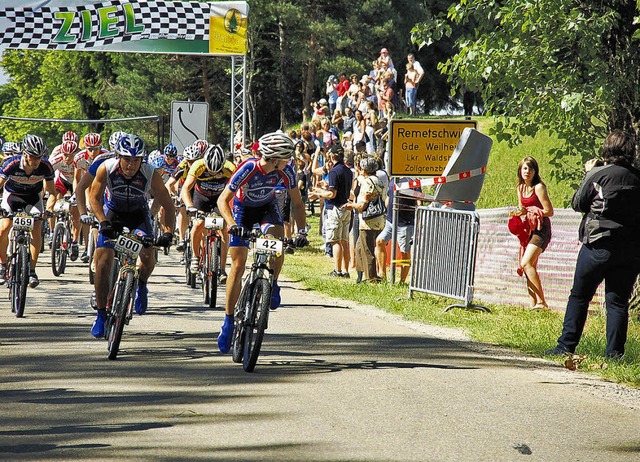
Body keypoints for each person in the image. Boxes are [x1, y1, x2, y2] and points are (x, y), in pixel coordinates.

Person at [546, 130, 640, 359]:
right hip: (631, 249)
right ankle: (614, 355)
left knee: (579, 296)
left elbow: (578, 203)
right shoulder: (638, 178)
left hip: (598, 244)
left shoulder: (599, 173)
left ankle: (566, 346)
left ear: (607, 149)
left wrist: (588, 173)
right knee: (618, 303)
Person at [215, 132, 309, 354]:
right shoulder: (248, 168)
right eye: (286, 158)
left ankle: (273, 282)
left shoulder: (286, 171)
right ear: (275, 159)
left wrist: (303, 231)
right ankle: (228, 321)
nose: (289, 162)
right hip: (242, 211)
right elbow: (223, 200)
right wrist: (231, 224)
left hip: (267, 208)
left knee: (277, 242)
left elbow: (297, 203)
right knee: (237, 267)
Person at [89, 134, 175, 337]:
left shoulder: (149, 173)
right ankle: (101, 315)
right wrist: (103, 222)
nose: (131, 165)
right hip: (113, 214)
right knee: (102, 263)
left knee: (148, 257)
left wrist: (168, 233)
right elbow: (94, 197)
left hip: (138, 215)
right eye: (127, 159)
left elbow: (168, 206)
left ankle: (142, 283)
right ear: (118, 156)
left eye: (136, 160)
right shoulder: (107, 168)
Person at [0, 134, 57, 288]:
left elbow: (52, 192)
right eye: (33, 156)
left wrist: (49, 209)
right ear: (24, 154)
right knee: (4, 227)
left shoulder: (46, 166)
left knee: (36, 228)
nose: (37, 160)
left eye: (39, 156)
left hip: (33, 198)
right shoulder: (11, 164)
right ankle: (3, 264)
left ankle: (31, 270)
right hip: (12, 196)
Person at [181, 144, 235, 281]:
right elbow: (185, 189)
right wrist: (189, 206)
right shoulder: (198, 165)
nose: (212, 173)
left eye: (215, 171)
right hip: (202, 198)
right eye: (210, 170)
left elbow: (237, 191)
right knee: (199, 223)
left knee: (224, 229)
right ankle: (195, 256)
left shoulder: (230, 168)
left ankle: (222, 268)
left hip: (219, 198)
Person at [513, 156, 553, 310]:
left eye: (530, 168)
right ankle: (532, 304)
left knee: (526, 263)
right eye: (524, 168)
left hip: (541, 230)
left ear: (535, 171)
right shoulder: (520, 188)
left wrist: (533, 210)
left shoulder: (539, 187)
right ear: (520, 170)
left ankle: (542, 303)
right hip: (528, 229)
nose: (527, 172)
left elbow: (549, 211)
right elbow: (521, 209)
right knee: (530, 266)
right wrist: (517, 213)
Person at [309, 144, 353, 278]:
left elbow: (332, 194)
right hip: (346, 207)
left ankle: (337, 270)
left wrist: (318, 194)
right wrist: (324, 189)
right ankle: (345, 271)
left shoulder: (334, 171)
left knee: (335, 241)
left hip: (335, 208)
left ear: (332, 156)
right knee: (344, 241)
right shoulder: (348, 171)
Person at [344, 157, 386, 283]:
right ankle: (362, 276)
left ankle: (371, 278)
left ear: (365, 169)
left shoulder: (368, 183)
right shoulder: (379, 180)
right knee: (359, 248)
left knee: (367, 250)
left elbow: (362, 206)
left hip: (368, 221)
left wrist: (351, 206)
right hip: (379, 219)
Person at [375, 178, 417, 284]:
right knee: (380, 241)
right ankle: (382, 274)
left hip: (405, 222)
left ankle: (402, 281)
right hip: (390, 221)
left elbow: (418, 200)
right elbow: (389, 197)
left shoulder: (413, 181)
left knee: (404, 251)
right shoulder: (394, 179)